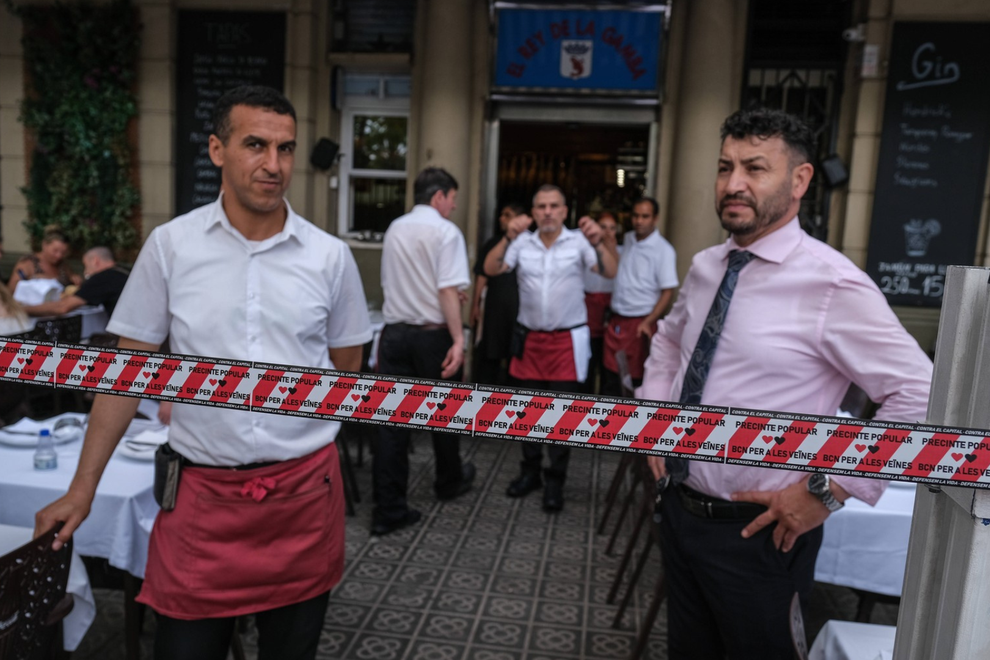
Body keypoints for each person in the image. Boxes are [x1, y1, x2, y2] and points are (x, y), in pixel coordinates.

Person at [35, 85, 372, 660]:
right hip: (203, 504)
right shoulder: (171, 247)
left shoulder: (329, 257)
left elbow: (346, 369)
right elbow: (126, 372)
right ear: (217, 150)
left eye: (286, 149)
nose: (274, 165)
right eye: (255, 145)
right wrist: (82, 489)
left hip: (302, 499)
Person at [639, 108, 932, 659]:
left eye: (755, 168)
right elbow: (670, 342)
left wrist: (830, 489)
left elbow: (919, 395)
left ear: (799, 181)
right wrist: (655, 420)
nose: (733, 185)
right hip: (680, 515)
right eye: (725, 167)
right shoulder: (707, 266)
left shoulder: (831, 283)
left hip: (764, 534)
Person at [484, 184, 618, 511]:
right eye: (541, 206)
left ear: (564, 210)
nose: (547, 212)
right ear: (533, 211)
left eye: (554, 206)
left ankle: (555, 480)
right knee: (529, 413)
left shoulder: (579, 242)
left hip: (565, 342)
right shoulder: (522, 243)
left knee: (560, 416)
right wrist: (507, 236)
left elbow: (610, 271)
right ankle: (530, 472)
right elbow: (490, 269)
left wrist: (600, 241)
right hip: (530, 340)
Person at [374, 166, 476, 536]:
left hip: (395, 334)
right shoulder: (446, 231)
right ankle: (448, 481)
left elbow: (416, 280)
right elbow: (447, 291)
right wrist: (460, 339)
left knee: (391, 423)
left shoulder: (395, 228)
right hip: (432, 336)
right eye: (452, 200)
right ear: (439, 196)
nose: (452, 207)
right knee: (443, 413)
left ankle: (388, 508)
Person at [602, 198, 678, 394]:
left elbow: (667, 291)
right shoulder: (628, 239)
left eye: (645, 216)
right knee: (611, 377)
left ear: (655, 219)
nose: (639, 221)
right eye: (635, 216)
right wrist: (610, 246)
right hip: (617, 319)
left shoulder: (664, 250)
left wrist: (648, 322)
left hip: (640, 323)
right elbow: (622, 266)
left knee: (634, 382)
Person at [471, 203, 526, 385]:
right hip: (495, 308)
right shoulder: (494, 244)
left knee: (517, 356)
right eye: (501, 214)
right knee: (490, 354)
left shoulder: (532, 244)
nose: (502, 218)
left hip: (520, 310)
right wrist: (476, 305)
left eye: (507, 214)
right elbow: (482, 275)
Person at [23, 246, 129, 317]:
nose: (85, 271)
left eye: (86, 265)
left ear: (95, 261)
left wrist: (22, 310)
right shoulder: (122, 272)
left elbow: (62, 307)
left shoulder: (103, 277)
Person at [583, 212, 619, 394]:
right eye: (603, 227)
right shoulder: (587, 249)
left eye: (612, 228)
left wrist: (612, 248)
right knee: (587, 361)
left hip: (610, 313)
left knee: (608, 365)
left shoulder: (620, 250)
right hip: (588, 309)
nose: (607, 232)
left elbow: (620, 273)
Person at [7, 225, 80, 291]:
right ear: (44, 245)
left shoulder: (63, 266)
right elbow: (11, 290)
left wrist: (75, 279)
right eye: (55, 251)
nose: (59, 255)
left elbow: (72, 283)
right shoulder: (27, 264)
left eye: (63, 253)